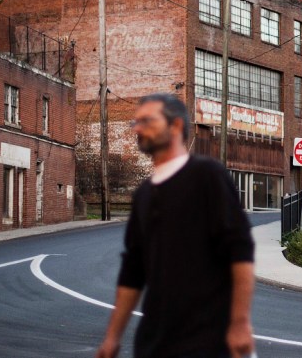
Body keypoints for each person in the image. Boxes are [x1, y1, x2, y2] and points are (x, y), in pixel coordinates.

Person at [96, 94, 255, 358]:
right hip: (153, 343)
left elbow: (240, 253)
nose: (137, 127)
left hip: (208, 340)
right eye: (136, 121)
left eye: (147, 120)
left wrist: (239, 323)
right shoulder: (143, 195)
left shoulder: (207, 175)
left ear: (176, 126)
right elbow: (132, 272)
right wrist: (112, 338)